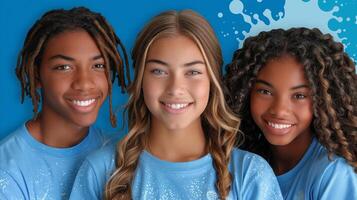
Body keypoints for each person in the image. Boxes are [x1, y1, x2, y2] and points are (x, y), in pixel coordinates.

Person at [70, 10, 283, 200]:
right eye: (159, 71)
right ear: (141, 80)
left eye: (193, 72)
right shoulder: (101, 170)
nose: (175, 88)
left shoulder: (250, 174)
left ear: (212, 81)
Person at [0, 7, 129, 199]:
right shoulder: (7, 169)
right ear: (37, 75)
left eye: (98, 65)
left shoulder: (119, 157)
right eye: (64, 67)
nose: (84, 83)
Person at [224, 27, 357, 199]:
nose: (279, 110)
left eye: (299, 96)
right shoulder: (244, 164)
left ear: (323, 101)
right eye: (265, 91)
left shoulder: (333, 174)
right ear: (245, 93)